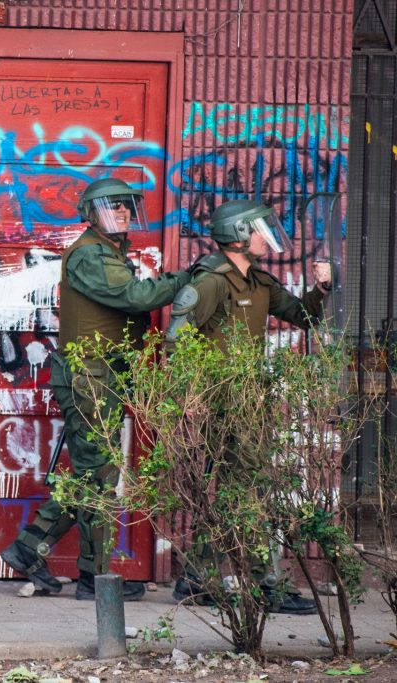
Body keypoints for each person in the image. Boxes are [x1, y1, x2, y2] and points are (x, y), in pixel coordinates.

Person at [0, 177, 192, 601]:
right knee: (98, 477)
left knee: (96, 474)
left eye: (126, 207)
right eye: (112, 207)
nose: (122, 212)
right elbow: (133, 296)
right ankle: (90, 576)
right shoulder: (90, 254)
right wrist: (182, 280)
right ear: (91, 214)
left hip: (100, 374)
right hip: (89, 376)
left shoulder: (108, 252)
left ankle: (35, 549)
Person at [167, 198, 330, 615]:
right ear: (239, 235)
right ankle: (268, 584)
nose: (266, 234)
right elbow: (176, 340)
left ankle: (194, 577)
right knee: (253, 489)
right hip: (219, 404)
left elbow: (303, 316)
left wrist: (322, 287)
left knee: (234, 491)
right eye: (259, 227)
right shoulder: (211, 280)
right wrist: (191, 397)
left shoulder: (259, 282)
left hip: (248, 404)